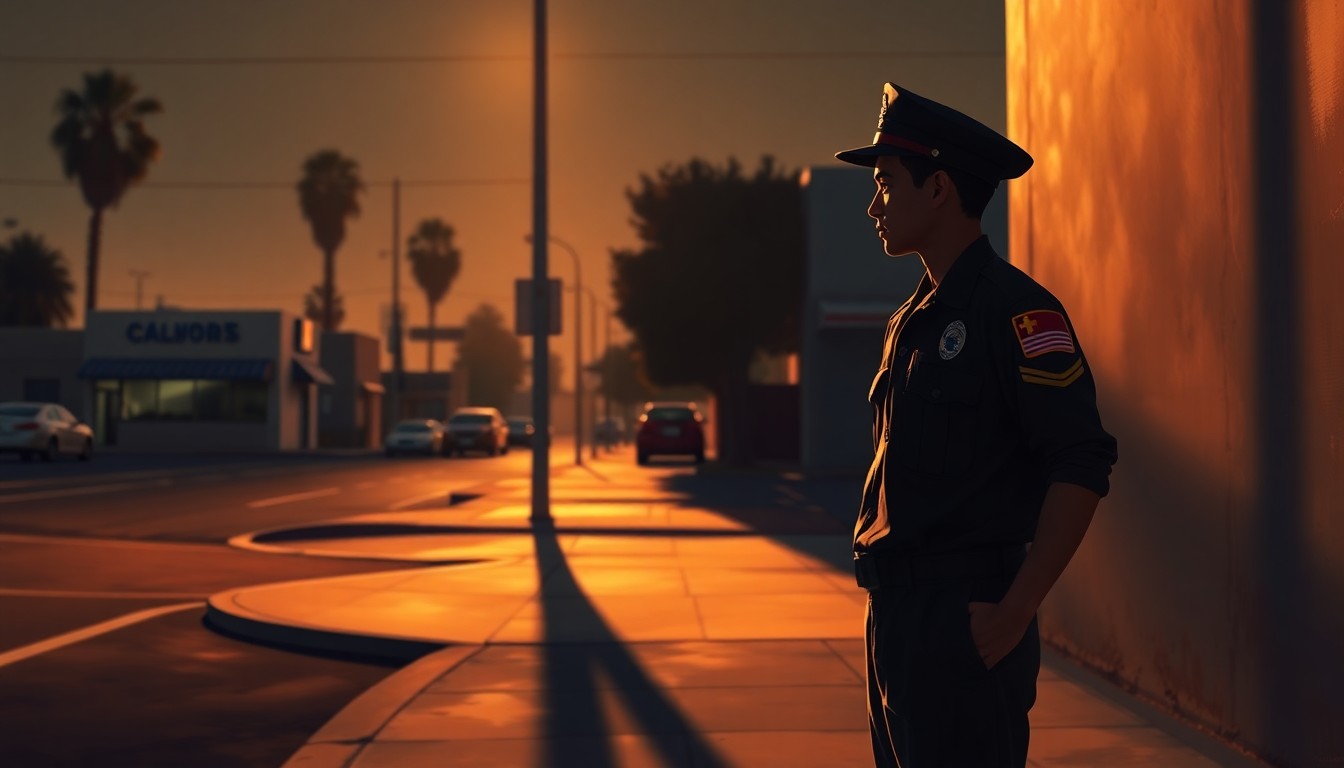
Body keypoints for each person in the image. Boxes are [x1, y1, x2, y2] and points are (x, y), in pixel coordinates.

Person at [834, 82, 1118, 767]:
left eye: (886, 182)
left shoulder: (1018, 313)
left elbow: (1080, 459)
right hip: (895, 621)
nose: (873, 204)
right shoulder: (910, 321)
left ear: (938, 190)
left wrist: (1016, 609)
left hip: (965, 621)